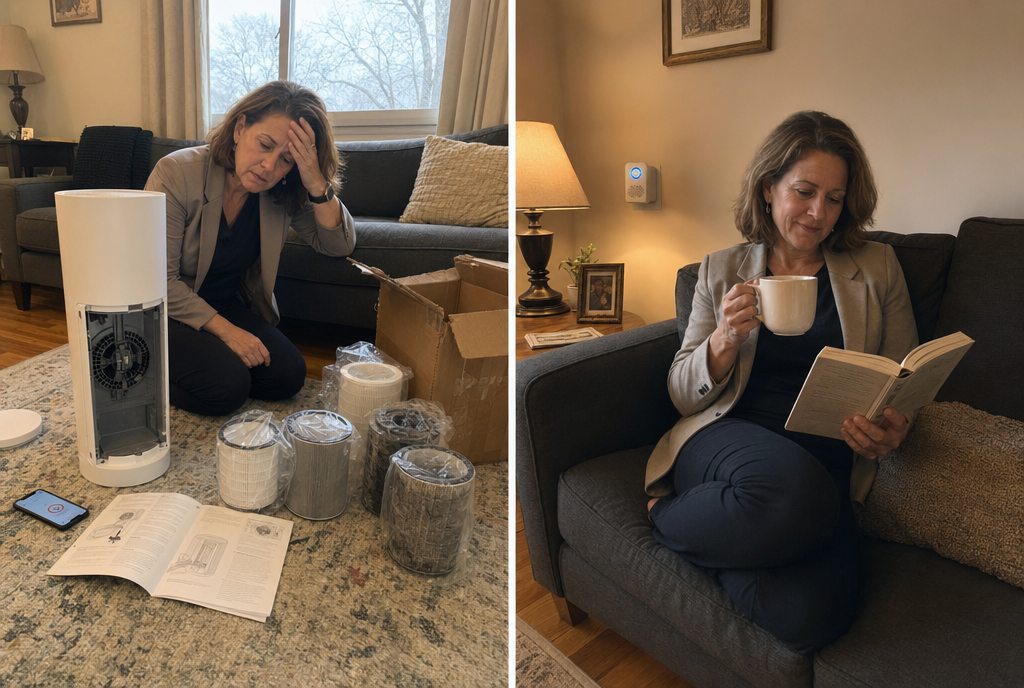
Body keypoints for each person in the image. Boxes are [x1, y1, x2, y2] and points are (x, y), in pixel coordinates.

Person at [645, 111, 918, 655]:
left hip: (825, 453)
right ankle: (665, 516)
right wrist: (723, 339)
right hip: (728, 435)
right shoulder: (720, 270)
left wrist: (894, 428)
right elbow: (681, 392)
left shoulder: (878, 267)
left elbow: (902, 377)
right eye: (805, 191)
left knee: (811, 619)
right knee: (798, 493)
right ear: (768, 188)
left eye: (835, 198)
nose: (819, 213)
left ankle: (742, 528)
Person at [146, 80, 356, 416]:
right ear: (240, 127)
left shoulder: (280, 190)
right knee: (226, 387)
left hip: (224, 302)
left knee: (288, 375)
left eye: (287, 159)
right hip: (166, 309)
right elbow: (158, 282)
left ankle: (210, 368)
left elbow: (339, 244)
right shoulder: (176, 173)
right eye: (265, 145)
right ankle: (141, 364)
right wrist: (228, 334)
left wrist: (315, 180)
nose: (270, 166)